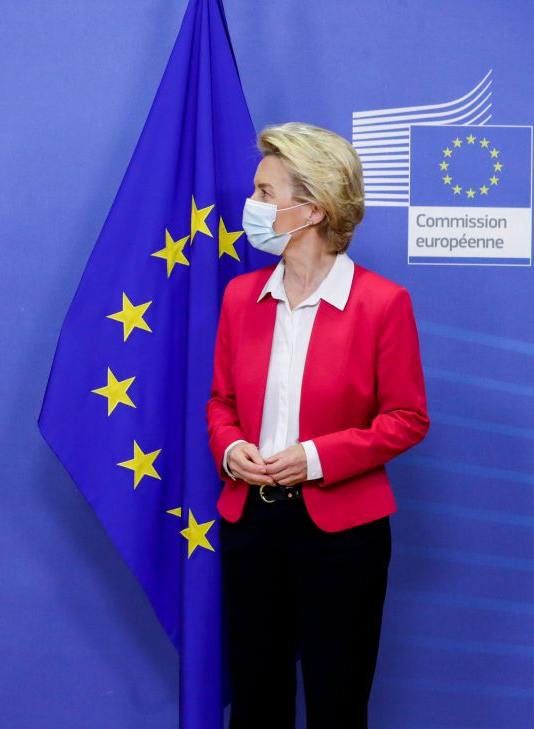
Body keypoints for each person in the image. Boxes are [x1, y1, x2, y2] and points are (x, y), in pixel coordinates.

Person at [206, 122, 429, 728]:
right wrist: (231, 453)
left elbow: (407, 419)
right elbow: (220, 402)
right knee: (255, 703)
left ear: (313, 209)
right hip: (250, 524)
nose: (251, 207)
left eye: (265, 192)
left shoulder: (383, 303)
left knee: (337, 703)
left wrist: (315, 457)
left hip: (343, 535)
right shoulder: (240, 298)